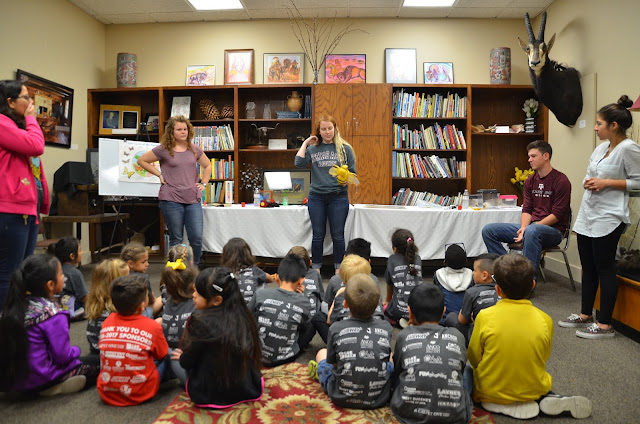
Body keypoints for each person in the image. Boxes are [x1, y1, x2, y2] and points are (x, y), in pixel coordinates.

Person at [468, 254, 592, 419]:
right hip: (533, 389)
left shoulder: (484, 316)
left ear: (497, 289)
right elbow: (543, 356)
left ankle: (497, 402)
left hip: (490, 391)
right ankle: (545, 397)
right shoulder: (545, 319)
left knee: (467, 371)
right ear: (533, 285)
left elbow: (474, 356)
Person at [559, 95, 640, 339]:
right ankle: (585, 314)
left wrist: (607, 183)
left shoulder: (629, 148)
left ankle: (605, 325)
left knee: (605, 268)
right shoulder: (601, 148)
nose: (595, 128)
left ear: (613, 125)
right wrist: (589, 182)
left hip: (609, 217)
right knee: (588, 267)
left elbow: (638, 183)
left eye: (598, 123)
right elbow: (590, 173)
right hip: (589, 214)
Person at [0, 254, 99, 396]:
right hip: (41, 377)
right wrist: (76, 350)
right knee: (101, 364)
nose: (63, 276)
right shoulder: (54, 314)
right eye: (61, 274)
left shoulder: (12, 307)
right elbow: (63, 357)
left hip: (11, 380)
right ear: (50, 285)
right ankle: (54, 386)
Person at [170, 267, 263, 407]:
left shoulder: (199, 322)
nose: (193, 295)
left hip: (209, 394)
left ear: (217, 300)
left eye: (198, 292)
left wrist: (183, 357)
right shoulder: (245, 316)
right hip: (245, 389)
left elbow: (187, 363)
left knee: (172, 357)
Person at [482, 140, 571, 280]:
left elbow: (557, 215)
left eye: (533, 156)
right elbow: (527, 209)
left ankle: (528, 282)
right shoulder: (530, 181)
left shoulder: (561, 180)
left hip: (554, 231)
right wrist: (523, 228)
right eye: (529, 156)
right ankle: (507, 272)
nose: (529, 160)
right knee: (489, 230)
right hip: (531, 228)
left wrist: (530, 228)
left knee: (532, 231)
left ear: (546, 156)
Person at [0, 80, 50, 313]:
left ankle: (19, 319)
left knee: (23, 272)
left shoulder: (14, 126)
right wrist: (31, 120)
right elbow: (36, 146)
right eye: (26, 97)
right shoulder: (2, 123)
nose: (31, 102)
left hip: (27, 210)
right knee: (9, 273)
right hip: (10, 210)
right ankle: (7, 324)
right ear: (10, 102)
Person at [309, 274, 394, 409]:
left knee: (321, 354)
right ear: (377, 305)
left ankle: (321, 376)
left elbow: (334, 364)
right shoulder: (386, 327)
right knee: (390, 356)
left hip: (340, 396)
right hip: (379, 398)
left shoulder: (336, 328)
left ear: (345, 304)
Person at [390, 283, 472, 423]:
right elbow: (461, 368)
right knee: (467, 371)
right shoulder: (457, 335)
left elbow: (398, 370)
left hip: (407, 413)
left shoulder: (404, 335)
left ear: (410, 312)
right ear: (443, 311)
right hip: (456, 417)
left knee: (396, 365)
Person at [137, 115, 212, 267]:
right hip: (171, 199)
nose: (183, 132)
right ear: (172, 131)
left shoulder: (194, 149)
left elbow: (208, 165)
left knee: (196, 238)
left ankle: (193, 269)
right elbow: (141, 160)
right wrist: (159, 174)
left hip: (192, 198)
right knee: (176, 238)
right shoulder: (163, 149)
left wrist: (204, 183)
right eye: (179, 129)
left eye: (185, 129)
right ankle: (175, 270)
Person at [294, 114, 357, 272]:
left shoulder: (345, 149)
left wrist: (347, 180)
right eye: (324, 129)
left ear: (335, 129)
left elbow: (353, 172)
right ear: (319, 131)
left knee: (338, 235)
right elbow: (299, 163)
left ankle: (339, 270)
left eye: (330, 128)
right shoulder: (312, 149)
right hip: (317, 198)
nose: (327, 132)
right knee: (318, 235)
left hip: (338, 197)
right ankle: (316, 269)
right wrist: (306, 142)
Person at [97, 274, 169, 406]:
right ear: (142, 306)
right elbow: (162, 354)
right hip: (141, 393)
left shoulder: (107, 322)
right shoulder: (152, 326)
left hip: (107, 392)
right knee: (169, 354)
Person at [249, 253, 314, 366]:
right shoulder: (304, 302)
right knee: (311, 322)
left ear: (277, 278)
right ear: (301, 281)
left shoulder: (260, 294)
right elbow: (304, 327)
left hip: (258, 356)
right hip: (286, 359)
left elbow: (247, 316)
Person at [444, 253, 500, 345]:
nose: (473, 273)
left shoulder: (471, 292)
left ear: (484, 275)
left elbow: (462, 321)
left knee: (451, 317)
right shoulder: (505, 290)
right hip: (501, 333)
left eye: (474, 270)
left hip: (479, 338)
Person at [85, 258, 130, 355]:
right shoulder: (117, 310)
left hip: (95, 352)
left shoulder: (95, 306)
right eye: (127, 279)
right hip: (114, 355)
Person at [158, 250, 196, 350]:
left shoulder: (166, 294)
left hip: (167, 349)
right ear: (193, 286)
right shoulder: (195, 304)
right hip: (186, 351)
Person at [384, 228, 422, 326]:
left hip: (399, 309)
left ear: (395, 249)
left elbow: (389, 285)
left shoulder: (392, 260)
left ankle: (397, 321)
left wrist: (387, 301)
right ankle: (414, 320)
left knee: (383, 309)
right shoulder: (418, 259)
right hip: (419, 310)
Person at [221, 237, 273, 305]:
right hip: (250, 309)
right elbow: (271, 279)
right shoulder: (254, 270)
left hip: (229, 308)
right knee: (262, 282)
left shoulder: (223, 273)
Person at [48, 237, 87, 319]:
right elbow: (84, 297)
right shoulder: (75, 273)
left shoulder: (52, 269)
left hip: (53, 306)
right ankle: (72, 314)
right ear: (72, 256)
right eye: (80, 250)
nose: (82, 252)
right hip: (69, 306)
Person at [433, 243, 473, 324]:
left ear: (444, 262)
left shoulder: (438, 274)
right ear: (466, 261)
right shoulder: (471, 274)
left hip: (444, 320)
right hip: (466, 319)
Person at [121, 242, 157, 317]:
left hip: (121, 312)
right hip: (138, 313)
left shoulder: (117, 275)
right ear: (130, 264)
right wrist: (152, 296)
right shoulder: (143, 278)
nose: (147, 264)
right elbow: (151, 301)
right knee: (161, 300)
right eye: (143, 262)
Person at [288, 245, 324, 313]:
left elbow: (322, 297)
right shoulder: (315, 274)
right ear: (310, 262)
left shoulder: (315, 274)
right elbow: (322, 297)